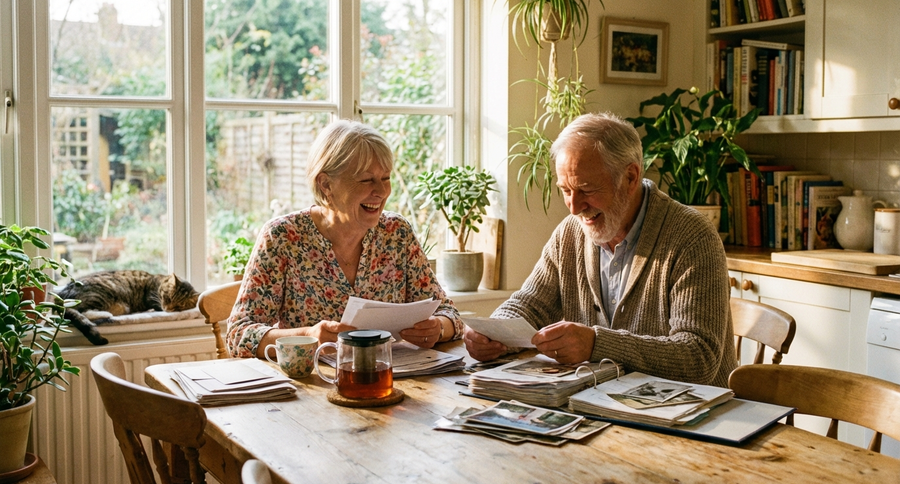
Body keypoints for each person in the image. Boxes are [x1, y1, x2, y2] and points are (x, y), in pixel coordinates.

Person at [464, 112, 737, 387]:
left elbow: (699, 358)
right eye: (565, 190)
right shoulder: (569, 234)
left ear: (630, 177)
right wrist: (493, 333)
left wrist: (597, 344)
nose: (573, 207)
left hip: (691, 417)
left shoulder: (692, 237)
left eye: (585, 189)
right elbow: (530, 304)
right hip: (602, 406)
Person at [227, 119, 463, 358]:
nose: (381, 192)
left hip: (390, 381)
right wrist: (308, 336)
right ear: (326, 184)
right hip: (313, 387)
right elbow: (238, 335)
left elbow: (449, 314)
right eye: (366, 180)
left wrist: (438, 328)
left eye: (386, 178)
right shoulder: (283, 237)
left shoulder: (396, 232)